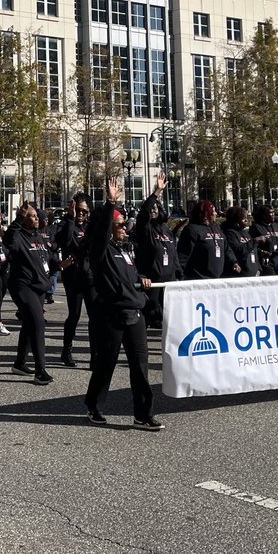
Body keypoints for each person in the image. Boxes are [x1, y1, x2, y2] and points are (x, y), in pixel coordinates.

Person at [83, 178, 163, 430]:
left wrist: (140, 278)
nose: (124, 229)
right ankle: (94, 405)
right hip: (112, 315)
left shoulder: (125, 251)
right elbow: (102, 230)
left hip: (134, 313)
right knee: (106, 363)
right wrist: (110, 203)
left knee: (140, 367)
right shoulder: (100, 250)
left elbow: (128, 275)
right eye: (119, 226)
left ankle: (143, 414)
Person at [6, 203, 53, 385]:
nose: (36, 219)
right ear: (24, 219)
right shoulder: (18, 237)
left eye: (36, 216)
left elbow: (46, 259)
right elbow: (9, 238)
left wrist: (60, 263)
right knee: (37, 322)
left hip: (39, 287)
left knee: (29, 323)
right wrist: (18, 217)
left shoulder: (38, 237)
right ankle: (40, 371)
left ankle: (19, 363)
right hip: (22, 285)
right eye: (32, 216)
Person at [133, 175, 182, 328]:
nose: (153, 210)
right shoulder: (146, 230)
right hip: (152, 283)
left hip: (169, 283)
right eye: (151, 208)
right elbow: (143, 213)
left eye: (156, 207)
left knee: (169, 320)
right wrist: (156, 193)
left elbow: (173, 256)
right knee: (151, 316)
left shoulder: (167, 232)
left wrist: (179, 275)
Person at [55, 194, 92, 366]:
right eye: (78, 209)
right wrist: (70, 217)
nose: (81, 213)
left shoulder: (90, 227)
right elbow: (66, 240)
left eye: (84, 210)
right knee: (75, 314)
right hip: (73, 277)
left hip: (90, 277)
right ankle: (66, 350)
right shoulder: (65, 224)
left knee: (95, 317)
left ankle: (95, 353)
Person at [176, 201, 227, 280]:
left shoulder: (216, 228)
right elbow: (182, 256)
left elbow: (226, 248)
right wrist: (181, 276)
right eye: (213, 211)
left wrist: (233, 261)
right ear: (206, 213)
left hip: (217, 279)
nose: (216, 213)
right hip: (198, 280)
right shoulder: (192, 230)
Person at [220, 206, 260, 277]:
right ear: (236, 221)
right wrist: (255, 241)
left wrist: (258, 268)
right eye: (243, 218)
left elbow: (254, 252)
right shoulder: (229, 233)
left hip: (254, 273)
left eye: (247, 218)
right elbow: (238, 251)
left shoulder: (246, 233)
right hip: (241, 274)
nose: (246, 220)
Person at [250, 205, 278, 274]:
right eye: (270, 213)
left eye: (273, 212)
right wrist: (261, 251)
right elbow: (252, 244)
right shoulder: (256, 227)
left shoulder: (276, 226)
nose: (273, 215)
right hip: (266, 262)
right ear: (263, 215)